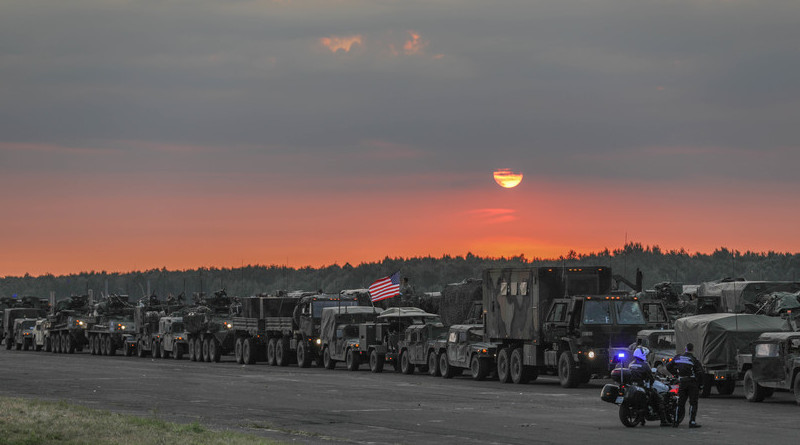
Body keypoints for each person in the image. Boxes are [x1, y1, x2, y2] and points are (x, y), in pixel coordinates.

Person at [667, 343, 705, 428]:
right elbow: (700, 373)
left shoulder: (678, 357)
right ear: (692, 349)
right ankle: (692, 422)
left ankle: (676, 422)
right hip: (692, 382)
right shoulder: (693, 359)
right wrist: (701, 386)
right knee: (693, 402)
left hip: (682, 382)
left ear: (685, 349)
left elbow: (668, 366)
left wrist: (676, 374)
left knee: (680, 402)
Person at [629, 346, 669, 427]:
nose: (647, 357)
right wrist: (651, 382)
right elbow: (651, 378)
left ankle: (642, 420)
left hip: (633, 387)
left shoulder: (631, 364)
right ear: (642, 355)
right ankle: (663, 421)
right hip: (643, 387)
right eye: (646, 355)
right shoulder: (645, 365)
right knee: (659, 400)